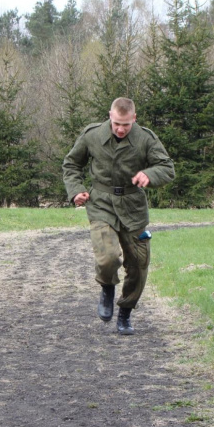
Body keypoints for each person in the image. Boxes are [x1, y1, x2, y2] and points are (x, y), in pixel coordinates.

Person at [62, 98, 175, 335]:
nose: (120, 129)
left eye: (125, 124)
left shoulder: (145, 138)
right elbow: (71, 164)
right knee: (108, 258)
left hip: (133, 206)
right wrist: (76, 191)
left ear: (134, 118)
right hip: (101, 203)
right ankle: (107, 287)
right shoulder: (92, 135)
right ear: (109, 117)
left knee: (138, 265)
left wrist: (150, 174)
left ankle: (125, 311)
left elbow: (167, 168)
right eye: (116, 124)